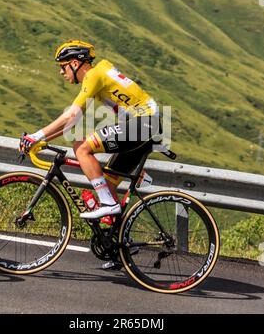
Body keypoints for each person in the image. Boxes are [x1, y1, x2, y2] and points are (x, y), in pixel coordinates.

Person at [19, 40, 161, 220]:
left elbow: (70, 115)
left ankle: (109, 205)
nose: (61, 72)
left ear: (75, 63)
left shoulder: (94, 75)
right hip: (148, 128)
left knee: (81, 147)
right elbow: (73, 122)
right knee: (107, 186)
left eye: (63, 66)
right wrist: (42, 141)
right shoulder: (98, 77)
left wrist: (36, 135)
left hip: (143, 124)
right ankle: (116, 242)